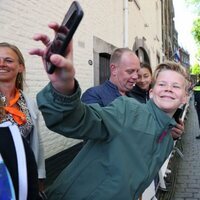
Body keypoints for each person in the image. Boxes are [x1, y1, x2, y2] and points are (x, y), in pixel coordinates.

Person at [30, 22, 189, 200]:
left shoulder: (167, 140)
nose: (168, 89)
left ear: (185, 98)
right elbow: (80, 120)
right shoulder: (128, 109)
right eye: (162, 84)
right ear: (151, 92)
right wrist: (63, 87)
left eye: (176, 86)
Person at [0, 42, 46, 198]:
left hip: (25, 172)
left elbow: (36, 140)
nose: (2, 64)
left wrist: (39, 174)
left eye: (8, 60)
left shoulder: (28, 102)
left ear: (20, 67)